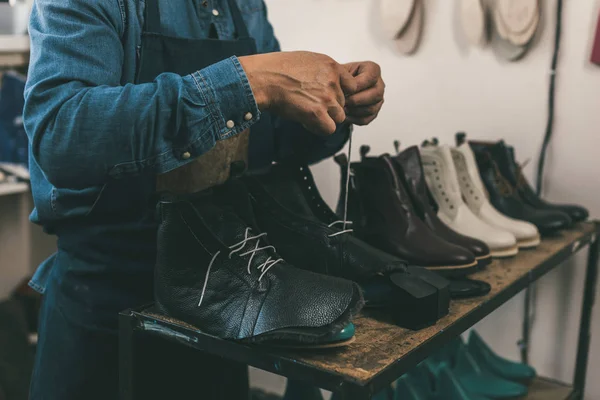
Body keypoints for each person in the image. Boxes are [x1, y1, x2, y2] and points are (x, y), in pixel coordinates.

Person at [23, 0, 385, 399]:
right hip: (108, 306)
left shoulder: (244, 7)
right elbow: (61, 134)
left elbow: (266, 140)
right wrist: (250, 81)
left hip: (224, 296)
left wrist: (334, 104)